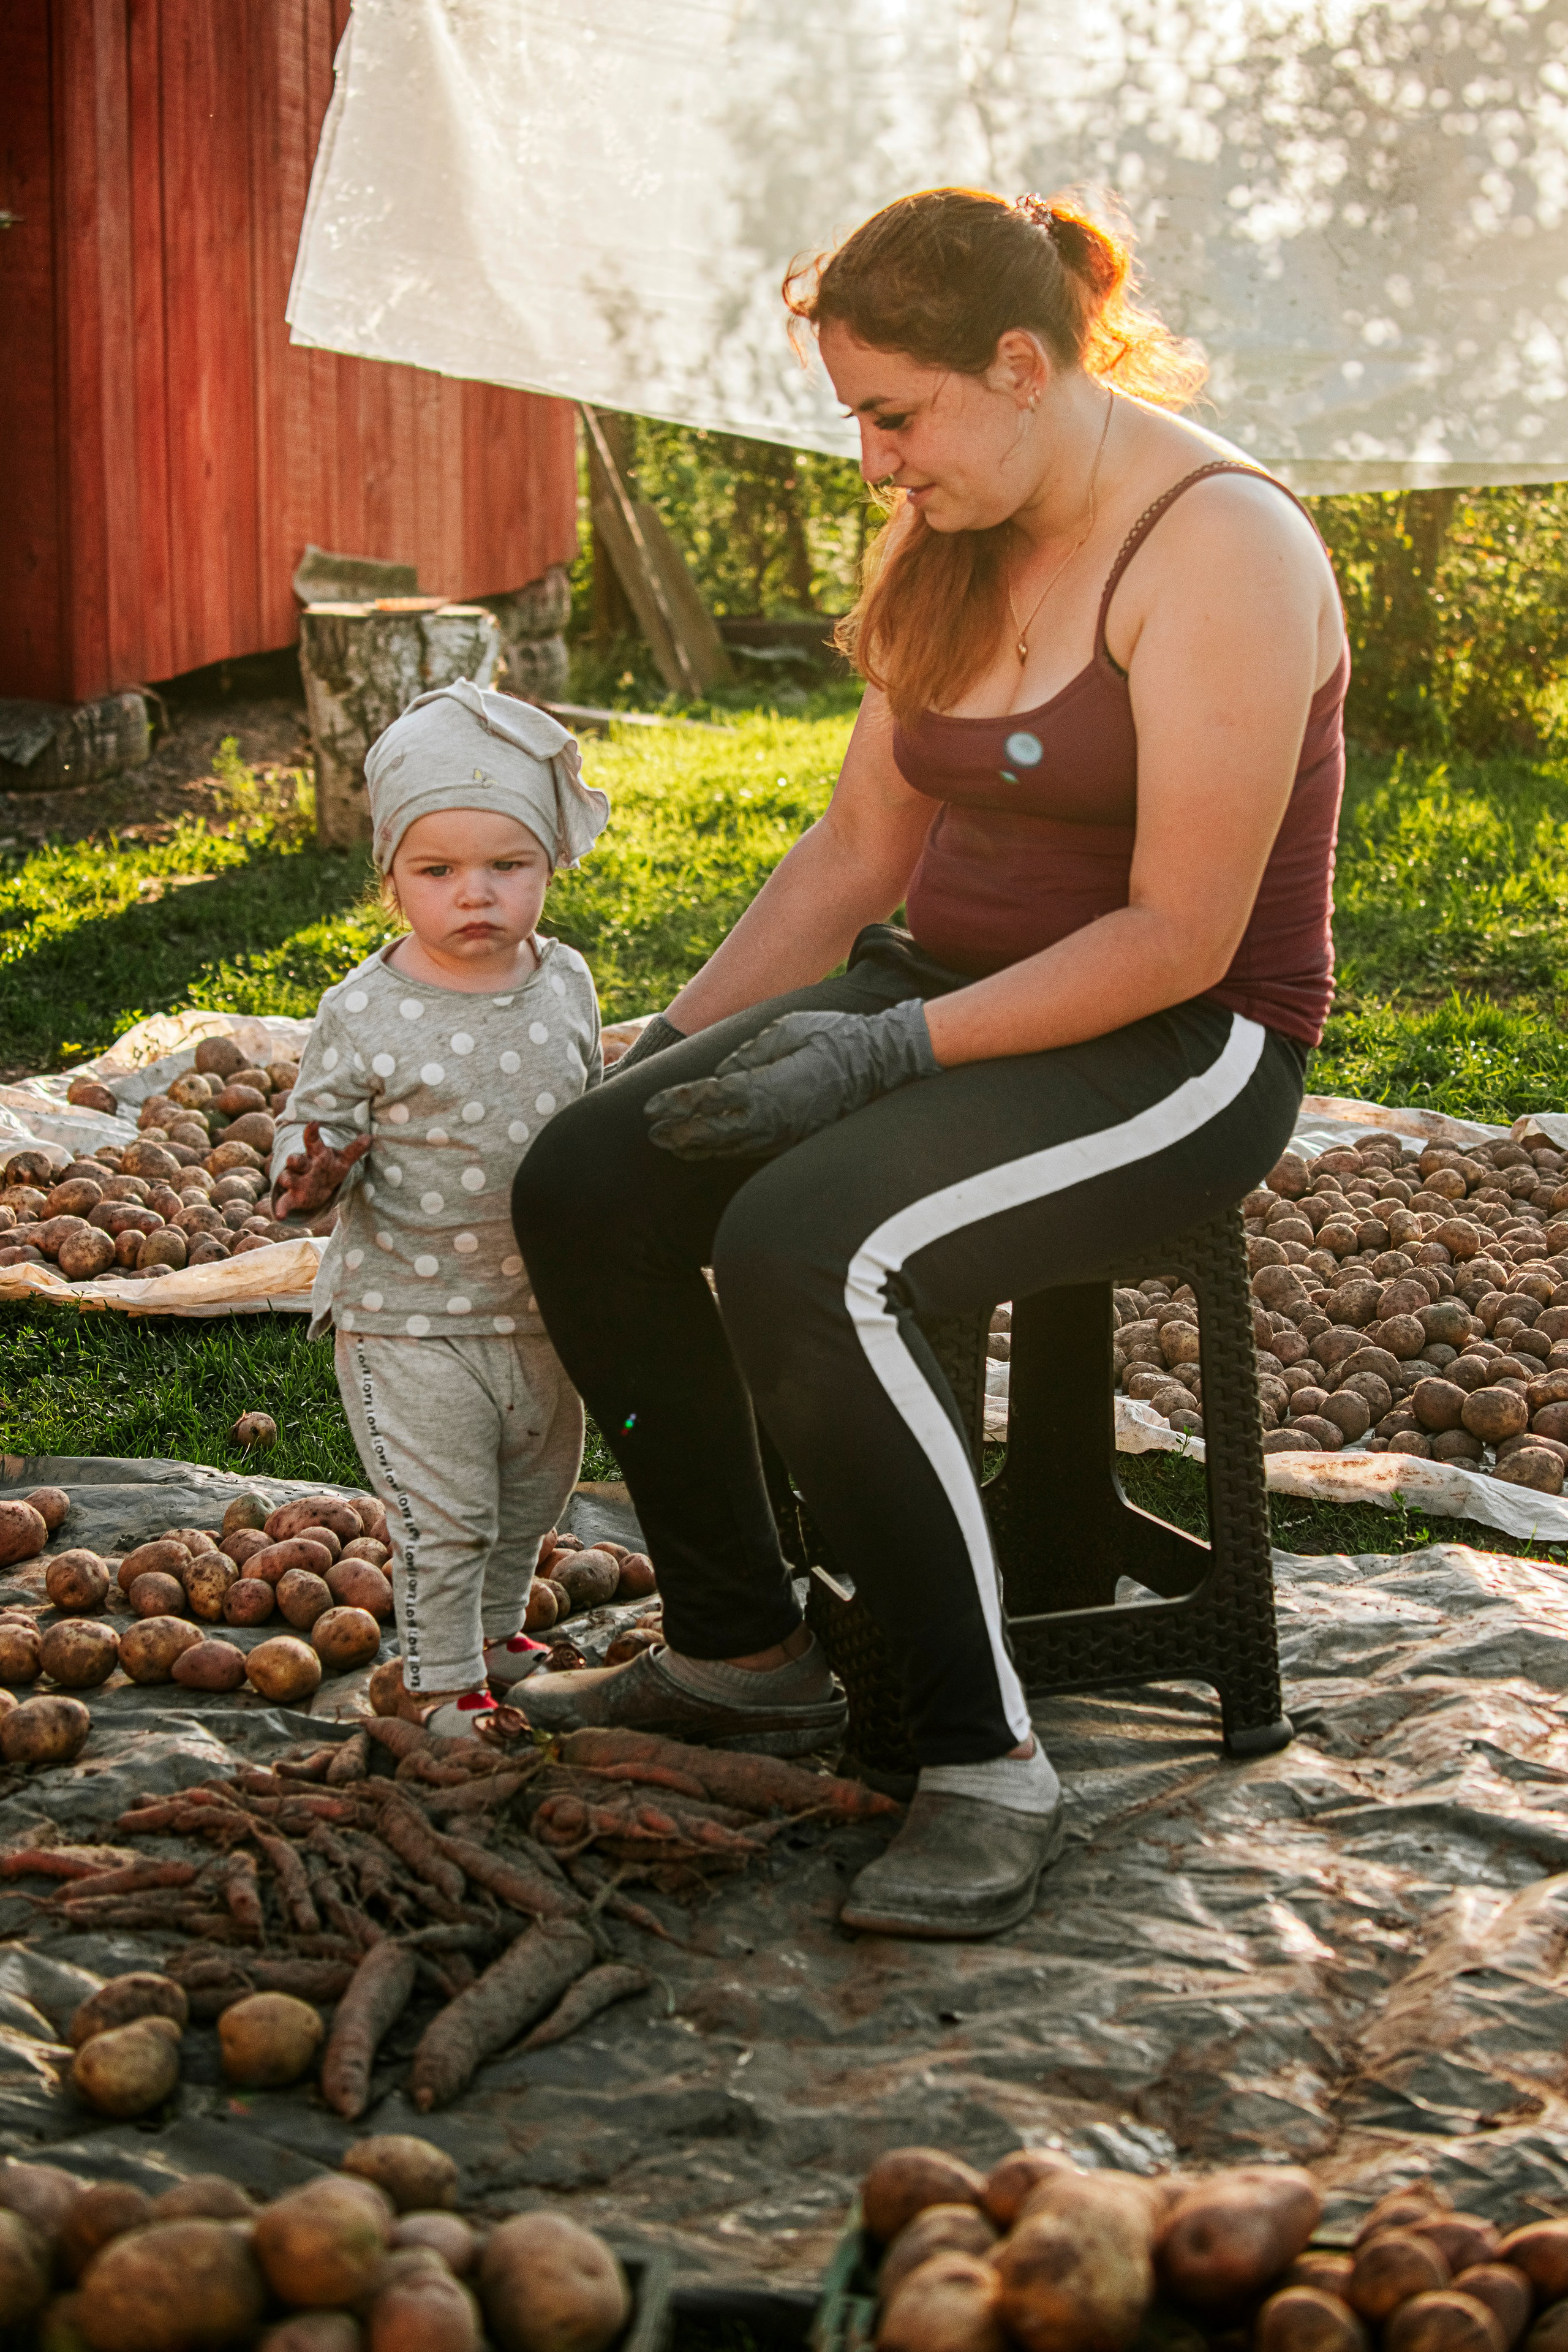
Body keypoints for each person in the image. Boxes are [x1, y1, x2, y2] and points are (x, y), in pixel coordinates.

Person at [511, 186, 1348, 1937]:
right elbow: (853, 856)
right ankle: (742, 1648)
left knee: (806, 1245)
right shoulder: (946, 529)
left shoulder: (1222, 549)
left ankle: (984, 1760)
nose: (874, 462)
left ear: (1021, 366)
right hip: (945, 983)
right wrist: (660, 1054)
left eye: (894, 416)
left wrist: (881, 1056)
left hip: (1179, 1043)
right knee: (587, 1181)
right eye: (858, 422)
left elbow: (1179, 935)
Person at [272, 678, 609, 1740]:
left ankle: (499, 1635)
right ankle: (439, 1680)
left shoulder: (567, 983)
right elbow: (311, 1126)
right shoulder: (364, 1009)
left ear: (550, 864)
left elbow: (588, 1113)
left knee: (532, 1496)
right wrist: (309, 1173)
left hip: (539, 1309)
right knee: (446, 1513)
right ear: (390, 877)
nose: (477, 894)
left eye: (509, 866)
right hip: (407, 1315)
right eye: (439, 871)